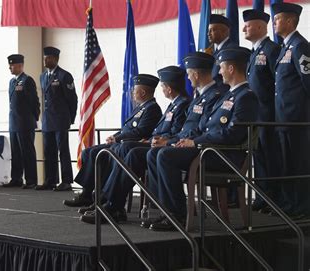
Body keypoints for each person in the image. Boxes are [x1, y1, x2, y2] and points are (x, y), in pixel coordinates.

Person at [80, 48, 258, 231]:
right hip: (206, 148)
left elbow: (233, 134)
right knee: (139, 153)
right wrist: (178, 141)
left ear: (230, 69)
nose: (218, 72)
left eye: (221, 68)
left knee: (163, 155)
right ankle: (114, 206)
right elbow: (200, 127)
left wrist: (193, 142)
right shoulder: (227, 96)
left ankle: (176, 215)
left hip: (221, 154)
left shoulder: (245, 97)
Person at [70, 66, 191, 213]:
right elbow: (154, 131)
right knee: (93, 152)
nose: (132, 93)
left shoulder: (174, 105)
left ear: (169, 89)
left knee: (125, 149)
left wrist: (157, 140)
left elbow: (173, 132)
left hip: (164, 147)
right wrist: (121, 137)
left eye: (163, 87)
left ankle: (108, 200)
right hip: (151, 144)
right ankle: (102, 198)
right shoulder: (170, 105)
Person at [63, 74, 163, 207]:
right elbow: (125, 129)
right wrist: (114, 136)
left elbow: (141, 132)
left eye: (135, 90)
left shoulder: (152, 109)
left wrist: (117, 138)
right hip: (121, 142)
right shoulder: (141, 108)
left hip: (129, 146)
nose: (132, 93)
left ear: (143, 92)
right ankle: (87, 194)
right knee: (88, 152)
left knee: (99, 155)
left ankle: (102, 197)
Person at [272, 3, 310, 219]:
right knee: (287, 164)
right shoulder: (286, 47)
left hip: (297, 118)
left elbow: (308, 82)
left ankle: (302, 207)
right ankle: (289, 204)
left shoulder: (300, 46)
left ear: (289, 21)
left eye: (277, 19)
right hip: (283, 118)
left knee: (299, 163)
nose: (274, 23)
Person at [242, 9, 281, 213]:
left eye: (247, 26)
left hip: (269, 113)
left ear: (259, 26)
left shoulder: (272, 49)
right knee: (259, 156)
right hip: (256, 114)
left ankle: (273, 197)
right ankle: (262, 196)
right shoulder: (254, 52)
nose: (243, 29)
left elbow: (279, 83)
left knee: (271, 155)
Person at [36, 47, 78, 191]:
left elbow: (72, 99)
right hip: (48, 120)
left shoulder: (64, 76)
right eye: (44, 58)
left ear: (55, 59)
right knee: (49, 151)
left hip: (61, 119)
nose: (45, 60)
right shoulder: (42, 76)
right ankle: (51, 180)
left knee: (63, 150)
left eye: (48, 58)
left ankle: (66, 181)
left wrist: (70, 119)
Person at [3, 54, 41, 189]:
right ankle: (16, 178)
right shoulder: (12, 82)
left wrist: (34, 119)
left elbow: (34, 103)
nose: (9, 67)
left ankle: (31, 180)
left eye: (12, 65)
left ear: (20, 65)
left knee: (27, 152)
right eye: (9, 65)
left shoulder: (27, 81)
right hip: (14, 123)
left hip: (25, 123)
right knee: (16, 152)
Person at [208, 14, 236, 85]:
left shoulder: (231, 50)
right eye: (208, 30)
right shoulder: (216, 51)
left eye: (212, 30)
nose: (208, 34)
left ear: (224, 31)